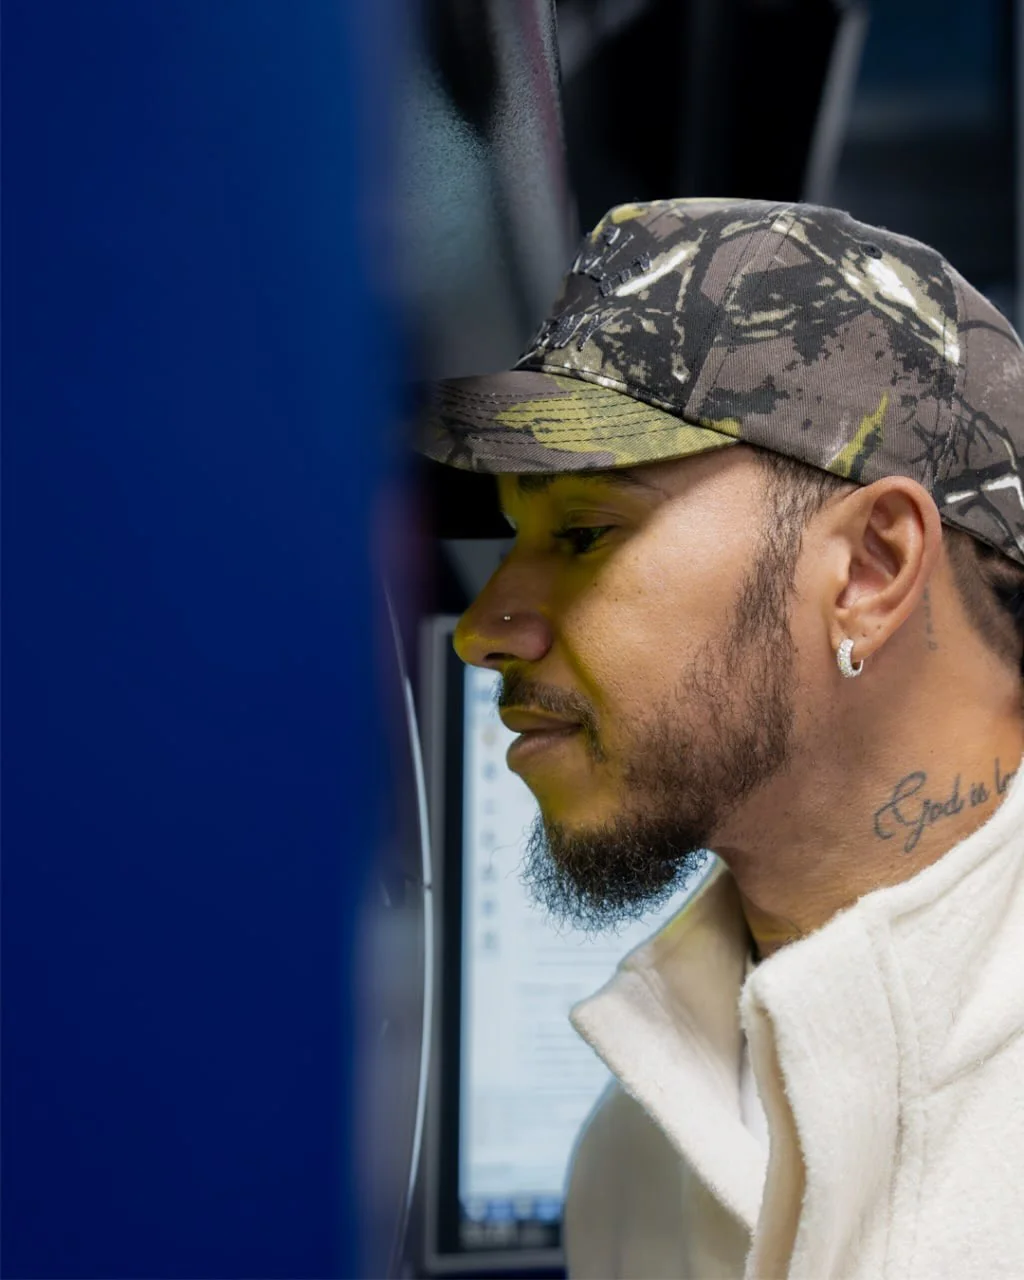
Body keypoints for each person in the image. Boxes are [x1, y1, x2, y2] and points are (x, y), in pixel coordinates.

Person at [415, 199, 1024, 1278]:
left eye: (583, 532)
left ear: (872, 568)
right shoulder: (640, 1154)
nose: (481, 630)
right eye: (516, 537)